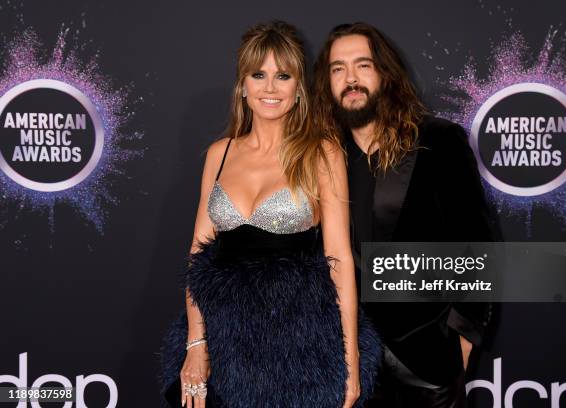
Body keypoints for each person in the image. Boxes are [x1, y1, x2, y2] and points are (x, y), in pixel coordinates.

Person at [159, 21, 381, 408]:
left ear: (298, 89)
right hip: (223, 345)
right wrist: (196, 345)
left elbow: (340, 260)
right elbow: (198, 254)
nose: (270, 87)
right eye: (258, 74)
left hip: (300, 349)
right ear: (243, 85)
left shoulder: (321, 152)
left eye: (283, 75)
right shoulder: (220, 153)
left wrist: (351, 361)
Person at [312, 22, 495, 407]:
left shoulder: (438, 141)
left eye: (363, 65)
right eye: (338, 68)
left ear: (385, 73)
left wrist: (461, 341)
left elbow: (478, 244)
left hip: (425, 359)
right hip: (344, 362)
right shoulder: (320, 156)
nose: (351, 79)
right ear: (326, 83)